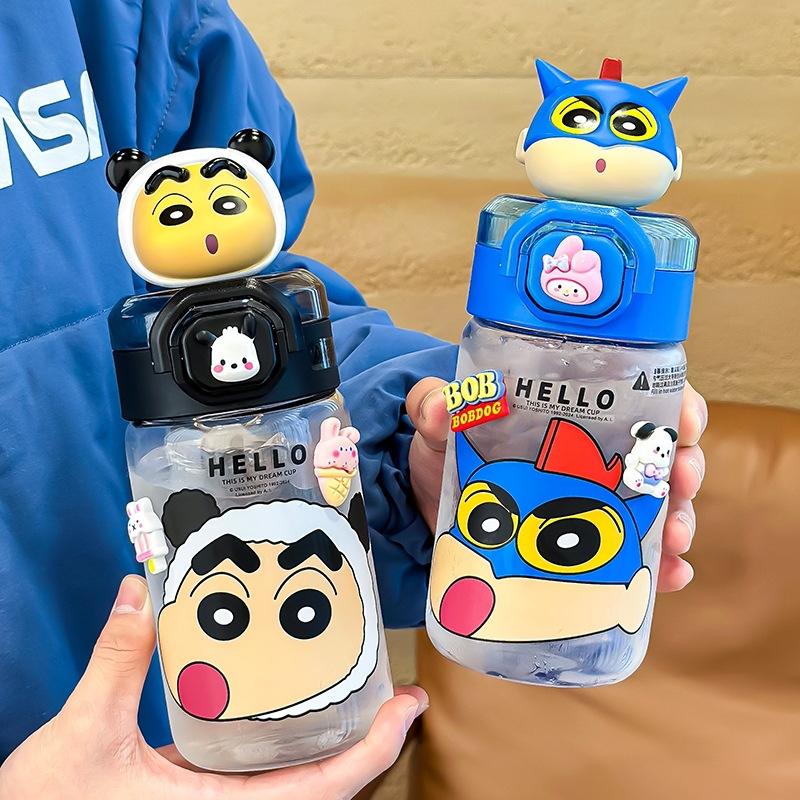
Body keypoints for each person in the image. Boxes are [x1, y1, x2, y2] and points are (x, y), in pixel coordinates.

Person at [0, 0, 707, 796]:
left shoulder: (110, 14)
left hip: (206, 723)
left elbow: (270, 310)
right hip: (190, 703)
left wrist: (411, 461)